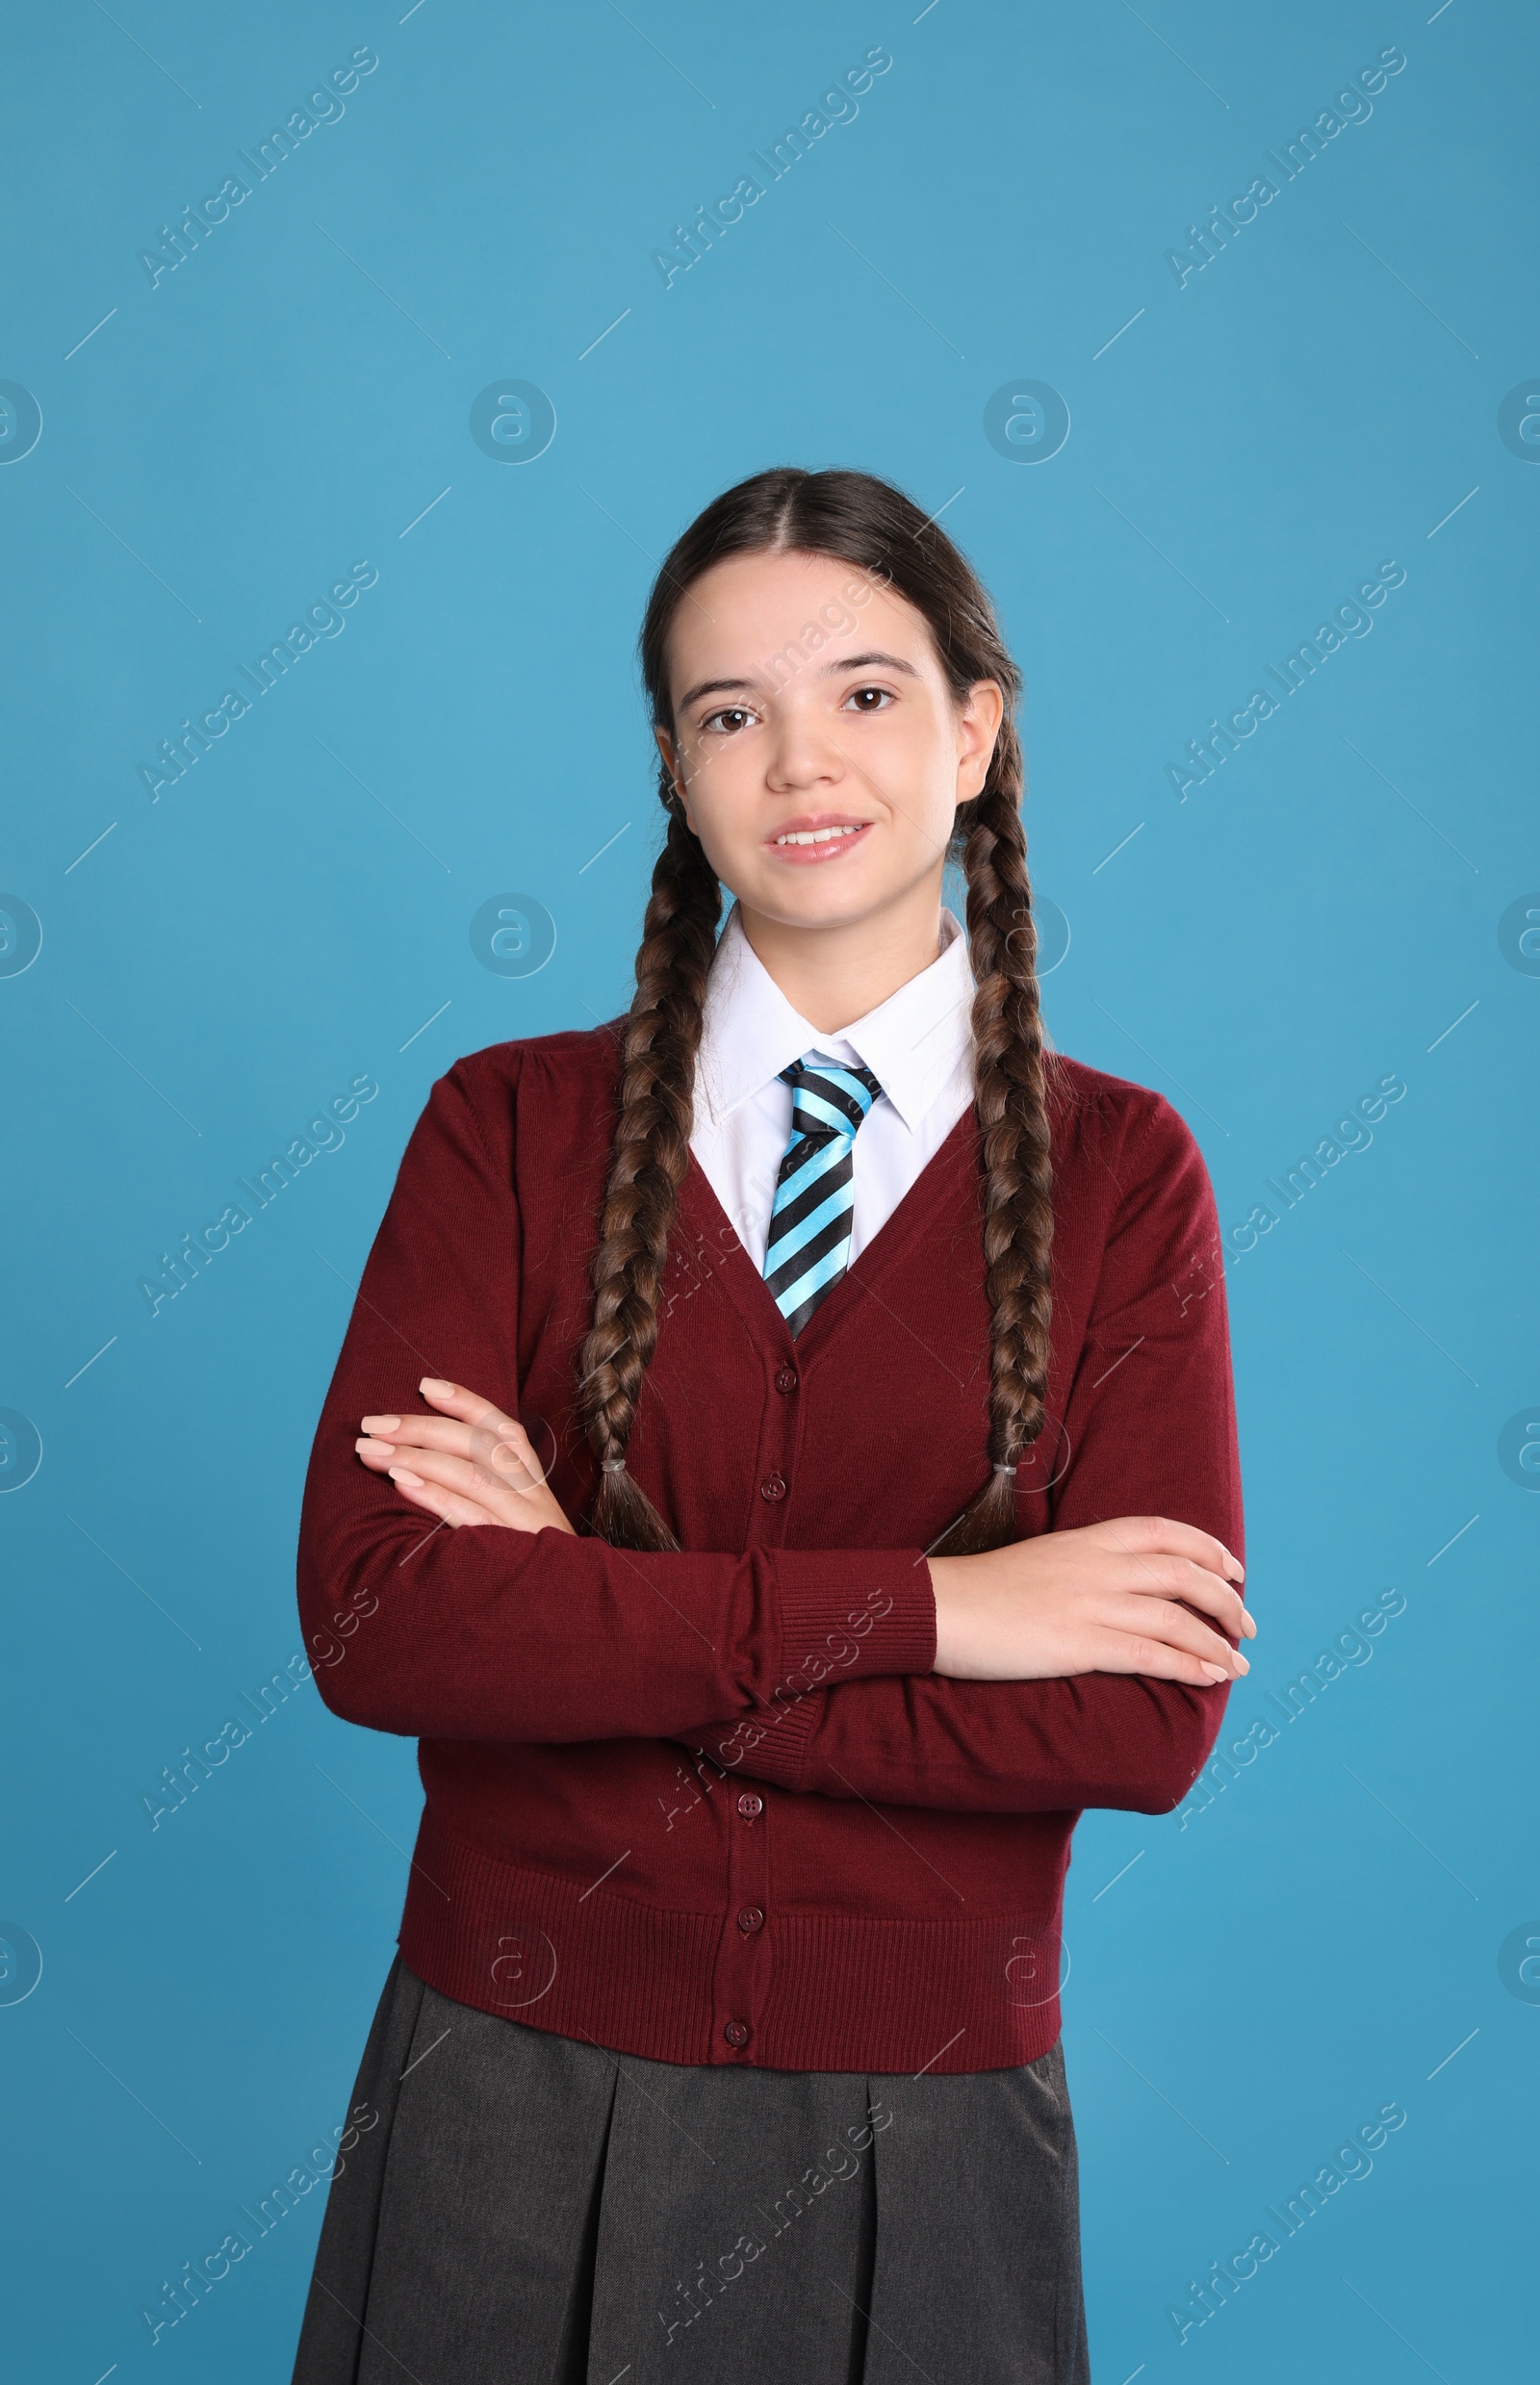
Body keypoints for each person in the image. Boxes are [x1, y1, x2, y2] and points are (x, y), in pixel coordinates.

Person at [290, 465, 1252, 2384]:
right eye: (730, 712)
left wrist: (577, 1604)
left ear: (976, 731)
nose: (800, 760)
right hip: (507, 2084)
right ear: (670, 762)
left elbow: (1136, 1721)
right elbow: (383, 1623)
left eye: (868, 694)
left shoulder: (1121, 1172)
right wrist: (936, 1611)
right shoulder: (503, 1129)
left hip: (929, 2127)